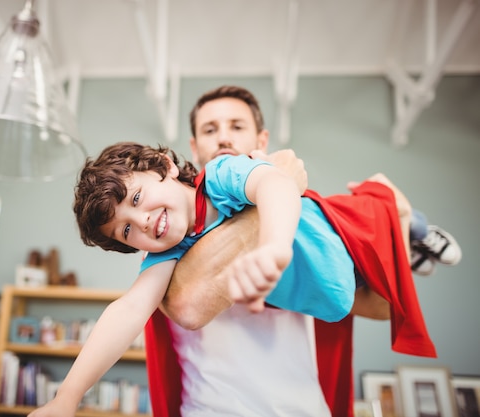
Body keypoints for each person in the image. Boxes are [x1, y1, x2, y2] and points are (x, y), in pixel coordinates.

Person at [29, 136, 446, 416]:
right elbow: (128, 309)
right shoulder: (172, 252)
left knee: (389, 214)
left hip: (345, 240)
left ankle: (420, 234)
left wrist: (274, 245)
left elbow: (276, 185)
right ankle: (412, 255)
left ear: (166, 167)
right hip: (343, 291)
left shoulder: (221, 178)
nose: (143, 221)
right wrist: (67, 397)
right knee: (392, 275)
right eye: (126, 230)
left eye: (137, 198)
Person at [146, 85, 461, 417]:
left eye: (237, 127)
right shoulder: (169, 232)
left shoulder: (296, 216)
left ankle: (413, 245)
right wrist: (282, 187)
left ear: (261, 140)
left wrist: (397, 222)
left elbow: (379, 307)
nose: (224, 138)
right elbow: (188, 307)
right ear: (195, 147)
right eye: (210, 130)